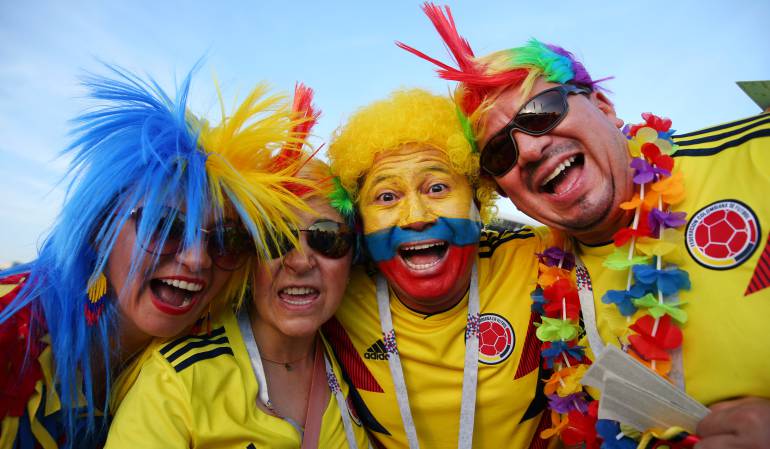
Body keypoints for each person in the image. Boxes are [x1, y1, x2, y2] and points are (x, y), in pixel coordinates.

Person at [399, 4, 770, 449]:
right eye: (500, 152)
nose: (530, 149)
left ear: (604, 107)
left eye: (542, 111)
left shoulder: (754, 158)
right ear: (504, 189)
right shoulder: (538, 277)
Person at [0, 67, 307, 448]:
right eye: (164, 225)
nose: (197, 259)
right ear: (100, 229)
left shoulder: (204, 356)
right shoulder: (12, 327)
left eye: (226, 240)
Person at [104, 85, 371, 449]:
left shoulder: (358, 357)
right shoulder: (177, 381)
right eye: (274, 237)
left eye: (328, 238)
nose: (300, 261)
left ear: (353, 256)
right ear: (245, 253)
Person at [325, 88, 556, 449]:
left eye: (436, 187)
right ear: (361, 223)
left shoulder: (540, 256)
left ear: (477, 202)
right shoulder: (333, 295)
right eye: (387, 197)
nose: (416, 217)